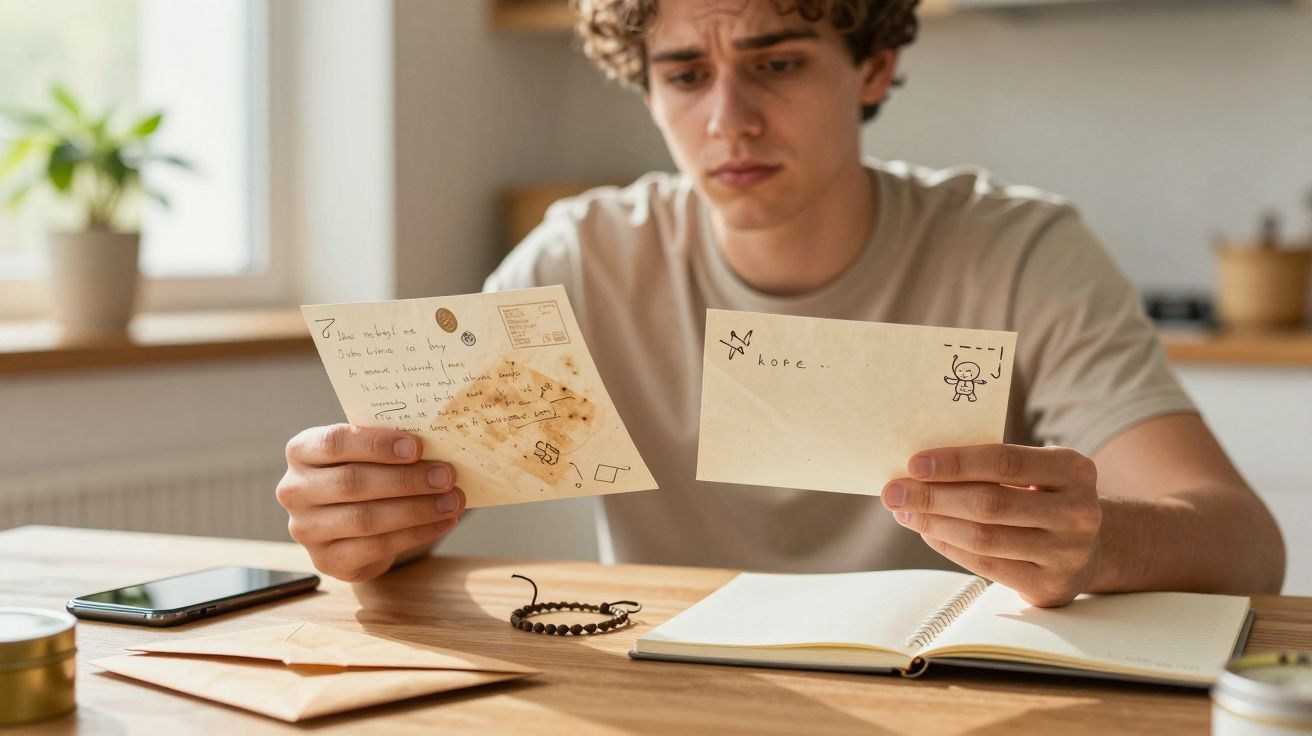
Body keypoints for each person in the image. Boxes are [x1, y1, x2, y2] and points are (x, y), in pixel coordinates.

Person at [276, 0, 1286, 606]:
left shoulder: (1016, 250)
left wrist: (1098, 541)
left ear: (873, 68)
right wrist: (366, 516)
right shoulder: (583, 260)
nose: (728, 120)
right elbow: (412, 513)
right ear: (649, 87)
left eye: (778, 63)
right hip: (679, 693)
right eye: (684, 74)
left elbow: (1244, 542)